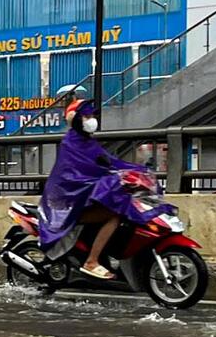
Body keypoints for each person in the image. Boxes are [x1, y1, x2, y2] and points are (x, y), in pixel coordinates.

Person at [37, 98, 173, 279]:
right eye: (86, 116)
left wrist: (136, 172)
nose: (91, 120)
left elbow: (110, 162)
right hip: (69, 206)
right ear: (76, 120)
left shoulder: (87, 142)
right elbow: (78, 176)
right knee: (114, 215)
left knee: (122, 209)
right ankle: (91, 261)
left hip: (82, 202)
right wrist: (111, 178)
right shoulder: (71, 144)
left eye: (91, 116)